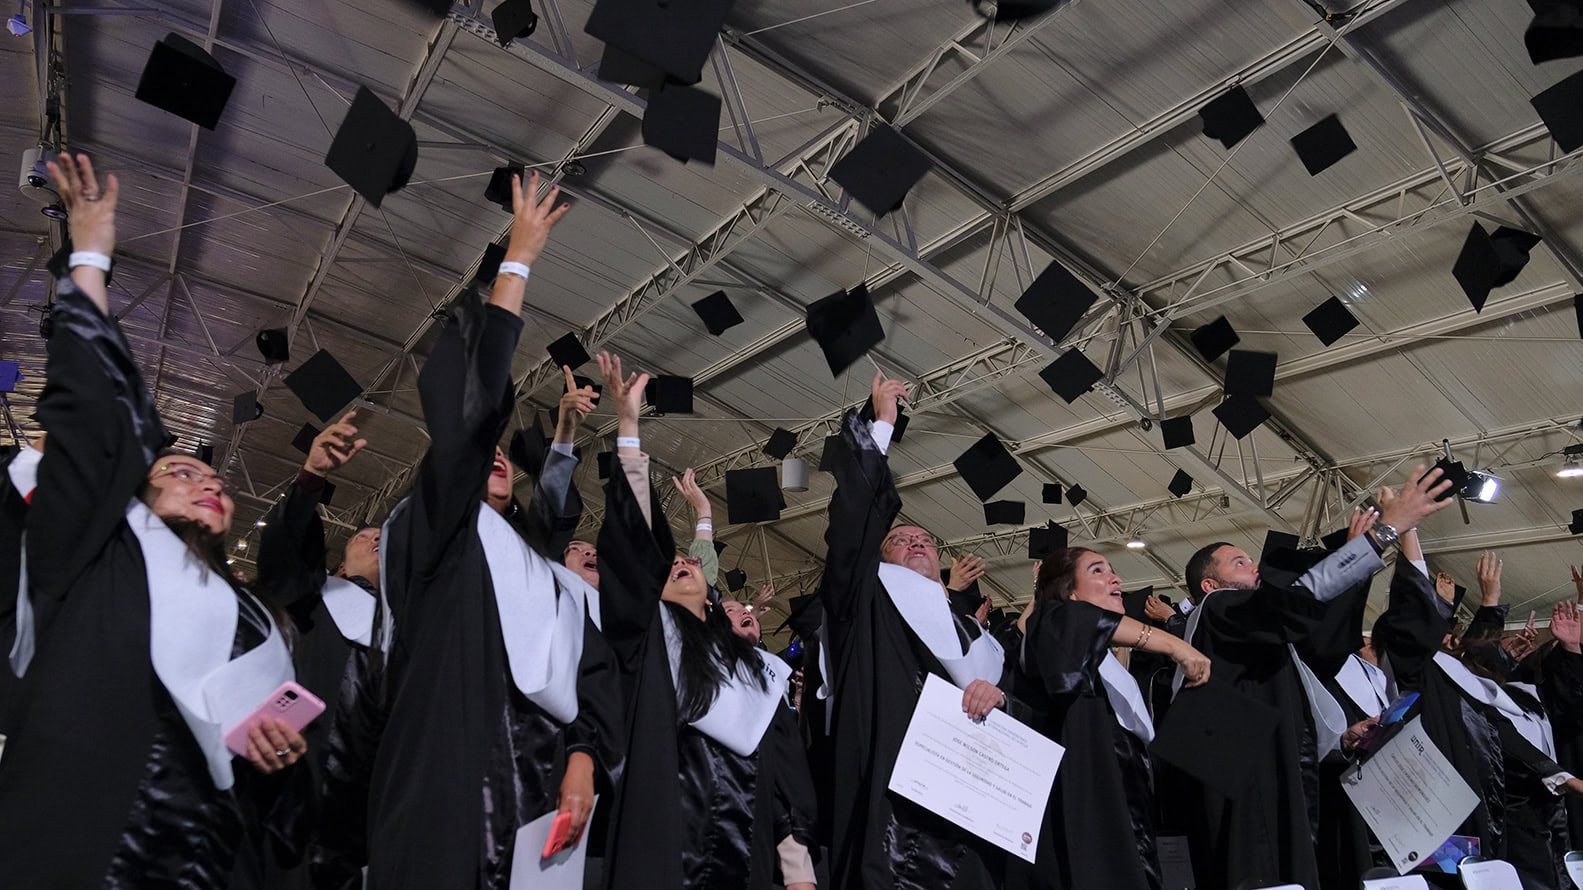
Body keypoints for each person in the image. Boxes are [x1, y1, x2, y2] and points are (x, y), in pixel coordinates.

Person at [0, 152, 305, 888]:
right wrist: (91, 257)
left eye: (213, 477)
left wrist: (276, 754)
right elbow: (98, 421)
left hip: (203, 856)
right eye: (177, 470)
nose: (204, 478)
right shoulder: (93, 554)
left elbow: (267, 772)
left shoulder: (258, 618)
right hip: (85, 839)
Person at [364, 170, 624, 889]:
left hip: (538, 797)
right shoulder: (439, 530)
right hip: (449, 791)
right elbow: (467, 425)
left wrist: (581, 759)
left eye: (509, 454)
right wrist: (517, 263)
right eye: (490, 453)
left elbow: (592, 665)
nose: (499, 455)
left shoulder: (535, 570)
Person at [1161, 468, 1453, 890]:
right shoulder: (1220, 609)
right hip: (1250, 793)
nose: (1255, 566)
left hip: (1276, 780)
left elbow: (1320, 636)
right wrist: (1383, 534)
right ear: (1210, 584)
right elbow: (1294, 606)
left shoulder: (1253, 632)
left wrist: (1340, 739)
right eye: (1239, 562)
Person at [593, 351, 818, 890]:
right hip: (666, 840)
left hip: (748, 855)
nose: (682, 563)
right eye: (670, 565)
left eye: (689, 561)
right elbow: (632, 550)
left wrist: (799, 874)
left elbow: (782, 777)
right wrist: (628, 428)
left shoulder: (756, 674)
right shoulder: (649, 641)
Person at [818, 370, 1012, 890]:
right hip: (893, 818)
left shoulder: (972, 634)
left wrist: (997, 696)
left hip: (969, 806)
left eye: (926, 538)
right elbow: (852, 526)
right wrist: (882, 425)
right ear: (878, 553)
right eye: (901, 538)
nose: (918, 541)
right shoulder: (867, 597)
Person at [1013, 546, 1210, 890]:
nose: (1115, 578)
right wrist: (1177, 646)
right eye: (1097, 571)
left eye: (1112, 570)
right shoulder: (1052, 624)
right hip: (1086, 814)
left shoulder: (1100, 659)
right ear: (1069, 592)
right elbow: (1077, 620)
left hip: (1130, 813)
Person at [248, 413, 380, 889]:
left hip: (370, 808)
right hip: (295, 792)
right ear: (341, 559)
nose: (377, 538)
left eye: (385, 538)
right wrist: (312, 477)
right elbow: (282, 554)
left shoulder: (406, 624)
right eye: (365, 536)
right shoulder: (314, 596)